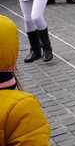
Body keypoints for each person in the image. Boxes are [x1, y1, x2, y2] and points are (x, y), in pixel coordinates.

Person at [0, 15, 51, 144]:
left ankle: (46, 47)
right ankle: (35, 49)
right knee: (30, 18)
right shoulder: (20, 107)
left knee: (36, 16)